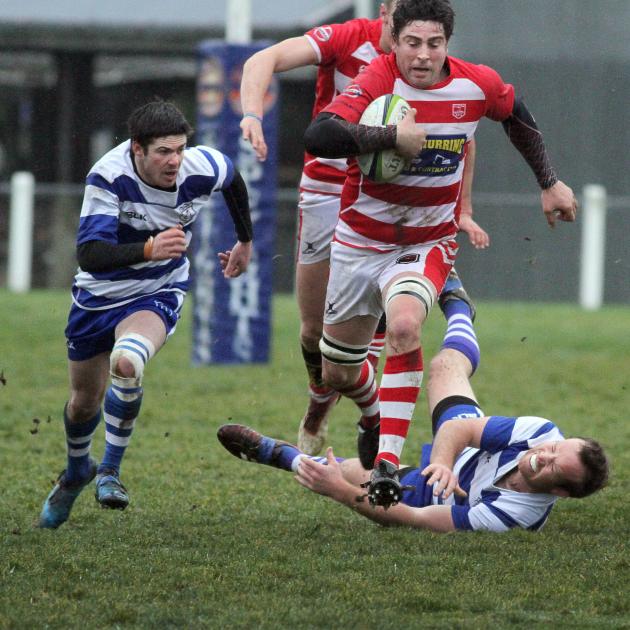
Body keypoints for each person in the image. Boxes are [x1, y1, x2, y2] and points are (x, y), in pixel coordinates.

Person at [301, 0, 578, 504]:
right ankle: (373, 408)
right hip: (360, 241)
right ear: (394, 40)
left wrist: (550, 182)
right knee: (338, 370)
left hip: (427, 241)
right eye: (412, 43)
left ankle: (385, 464)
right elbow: (320, 135)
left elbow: (516, 114)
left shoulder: (475, 84)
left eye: (434, 44)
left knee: (405, 327)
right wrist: (390, 137)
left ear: (447, 44)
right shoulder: (378, 77)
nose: (423, 56)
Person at [239, 0, 484, 458]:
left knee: (384, 322)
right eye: (397, 11)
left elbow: (462, 137)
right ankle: (326, 405)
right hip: (327, 190)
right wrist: (252, 113)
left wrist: (463, 209)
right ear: (385, 10)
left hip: (393, 207)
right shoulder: (349, 38)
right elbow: (263, 59)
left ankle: (381, 436)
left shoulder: (434, 59)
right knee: (313, 333)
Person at [217, 286, 609, 533]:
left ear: (560, 492)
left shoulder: (515, 516)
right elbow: (462, 432)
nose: (545, 454)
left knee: (352, 476)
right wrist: (442, 460)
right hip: (461, 448)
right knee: (444, 368)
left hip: (432, 497)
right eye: (557, 449)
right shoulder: (541, 434)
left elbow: (416, 520)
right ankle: (457, 307)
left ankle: (281, 455)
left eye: (555, 465)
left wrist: (338, 492)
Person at [38, 100, 253, 529]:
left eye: (180, 149)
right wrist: (148, 248)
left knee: (128, 361)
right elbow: (90, 254)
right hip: (97, 296)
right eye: (163, 153)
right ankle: (78, 468)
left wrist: (245, 240)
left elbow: (233, 180)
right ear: (137, 149)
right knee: (83, 403)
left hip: (159, 288)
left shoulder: (199, 166)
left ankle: (110, 472)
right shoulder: (108, 175)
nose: (175, 161)